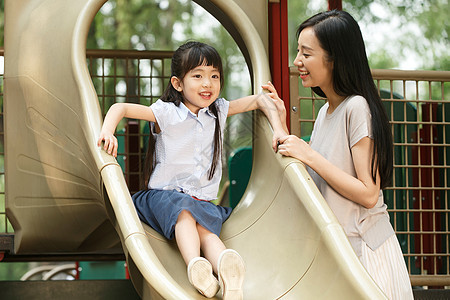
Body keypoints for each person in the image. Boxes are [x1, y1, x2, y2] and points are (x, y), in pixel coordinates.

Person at [98, 41, 286, 299]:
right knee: (184, 213)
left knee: (205, 230)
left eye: (214, 76)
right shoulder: (167, 112)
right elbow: (120, 108)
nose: (207, 83)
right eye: (197, 76)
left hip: (201, 200)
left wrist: (279, 128)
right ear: (178, 83)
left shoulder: (219, 110)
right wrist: (108, 130)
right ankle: (195, 265)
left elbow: (261, 101)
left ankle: (227, 270)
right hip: (164, 197)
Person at [267, 10, 414, 300]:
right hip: (340, 250)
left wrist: (308, 154)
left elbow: (369, 193)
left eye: (306, 54)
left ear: (334, 59)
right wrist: (280, 123)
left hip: (365, 253)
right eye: (298, 52)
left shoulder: (357, 107)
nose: (297, 62)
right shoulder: (326, 112)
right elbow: (318, 180)